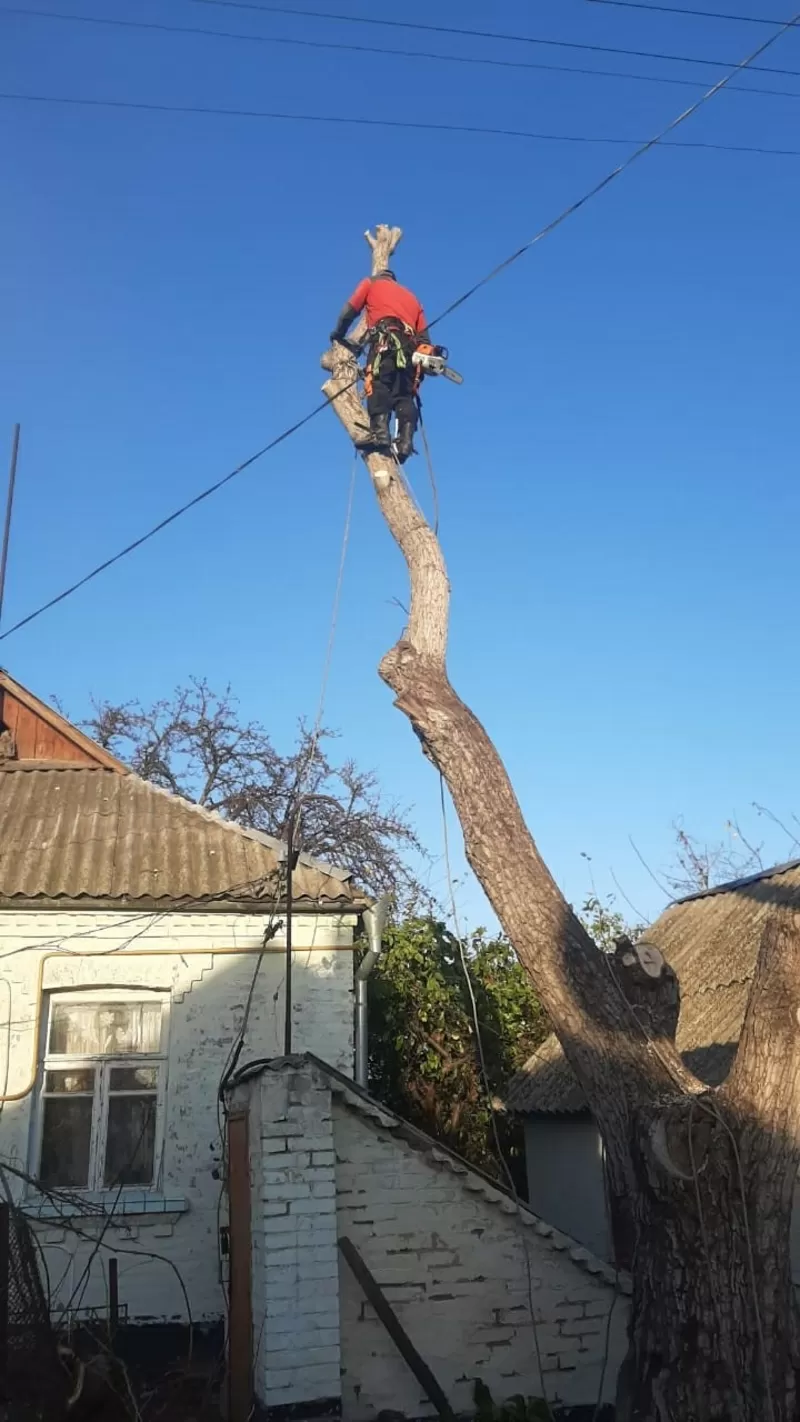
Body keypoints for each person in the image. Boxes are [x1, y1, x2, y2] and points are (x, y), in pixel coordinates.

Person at [329, 269, 430, 463]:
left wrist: (338, 334)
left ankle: (380, 433)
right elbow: (424, 338)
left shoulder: (371, 283)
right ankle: (405, 443)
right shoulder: (413, 298)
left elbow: (349, 310)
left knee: (378, 383)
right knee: (404, 394)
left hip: (385, 340)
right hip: (411, 349)